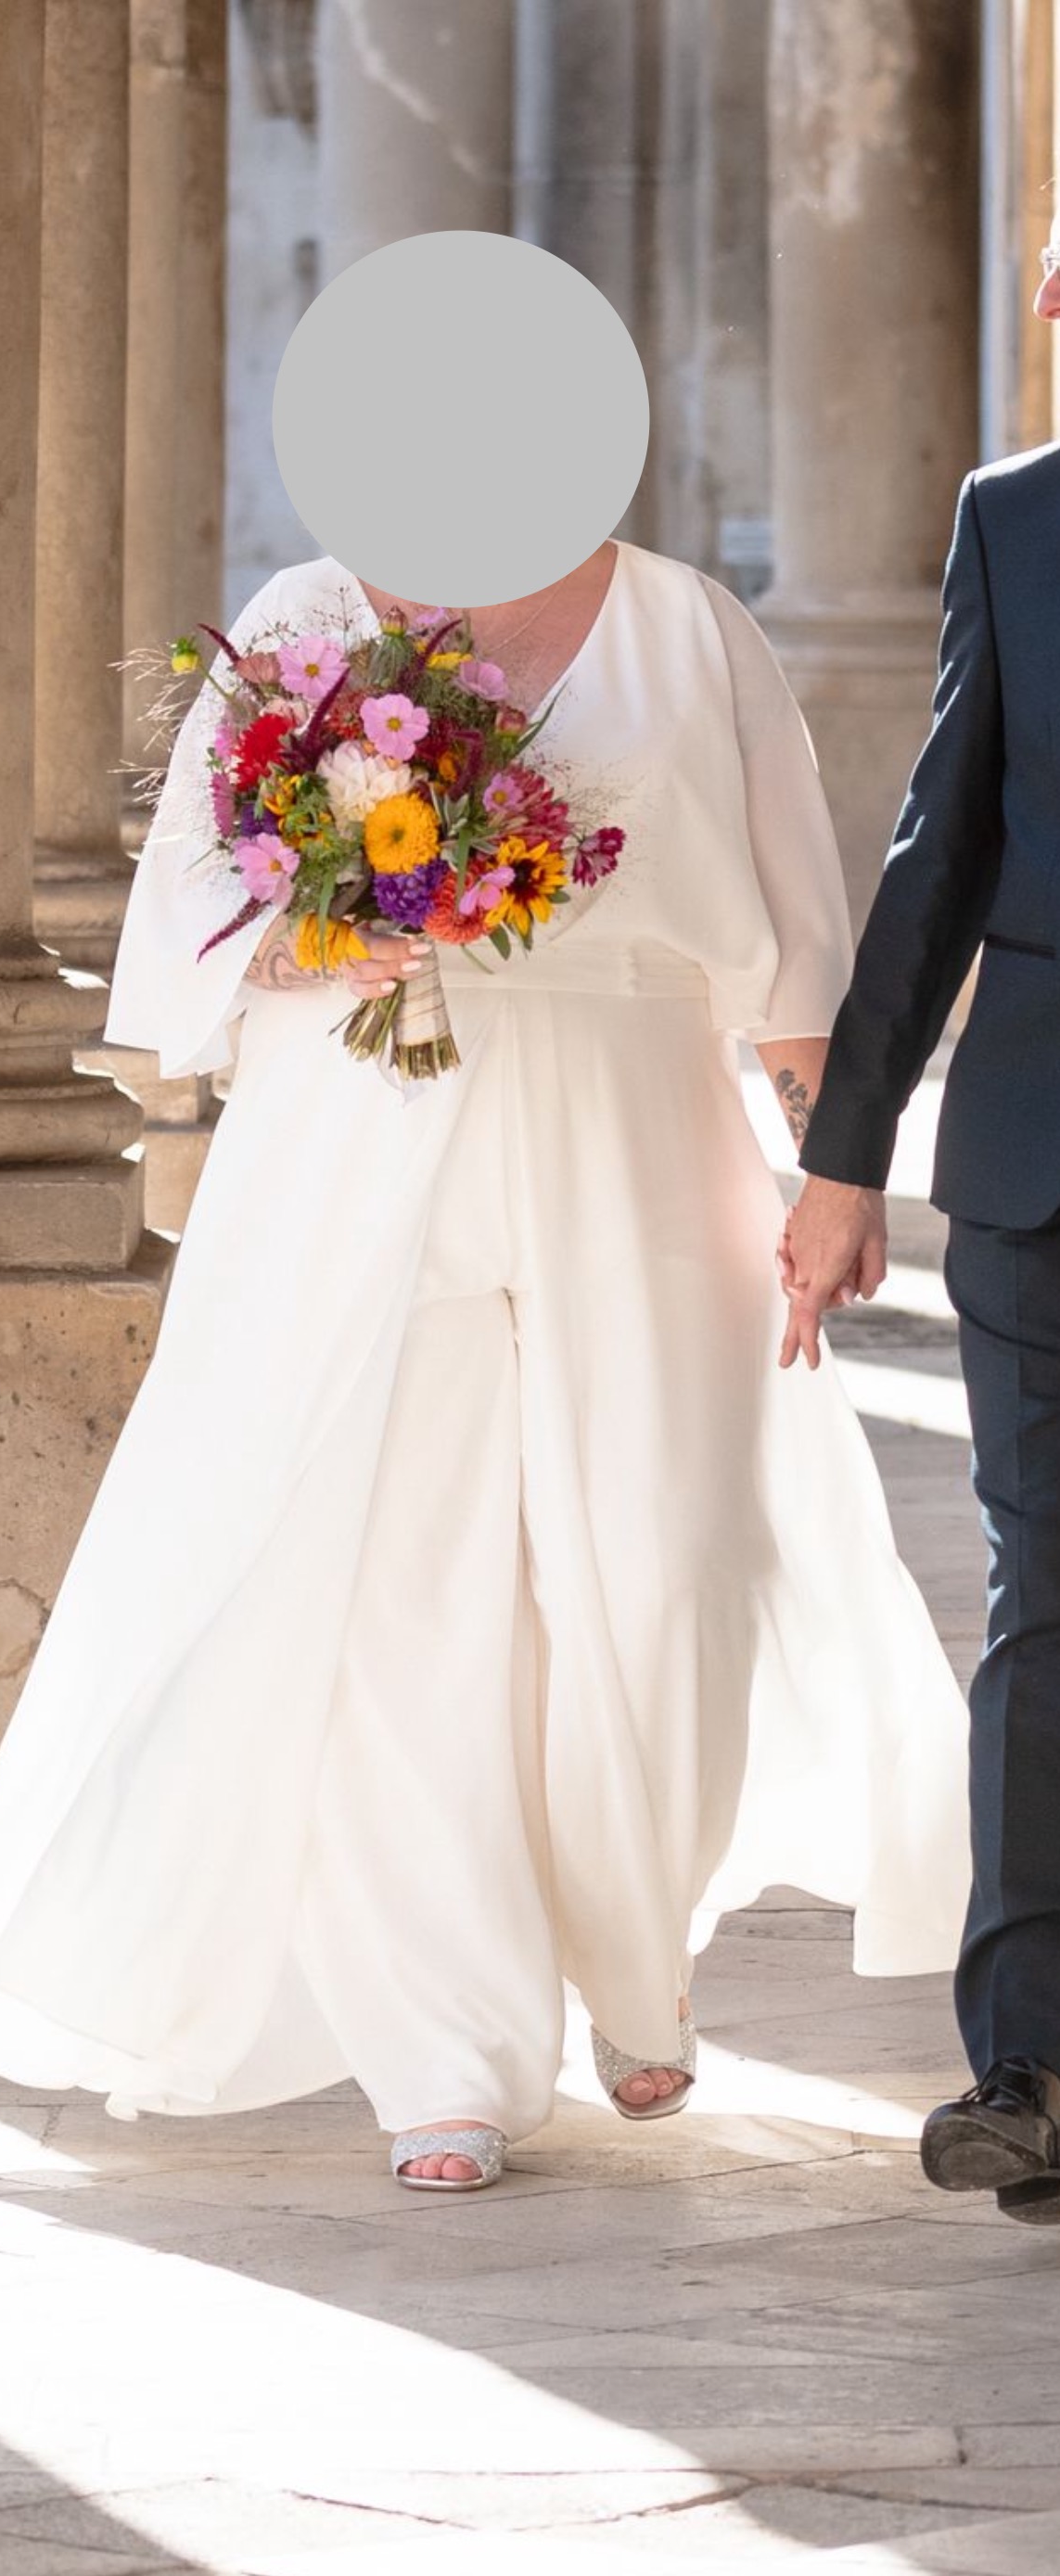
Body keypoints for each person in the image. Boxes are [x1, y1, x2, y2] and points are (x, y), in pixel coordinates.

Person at [0, 529, 972, 2193]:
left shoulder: (695, 629)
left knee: (667, 1558)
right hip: (360, 1130)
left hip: (636, 1115)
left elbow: (794, 946)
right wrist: (323, 942)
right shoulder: (303, 619)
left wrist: (834, 1176)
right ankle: (446, 2051)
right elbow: (183, 907)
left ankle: (634, 1948)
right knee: (409, 1578)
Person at [784, 212, 1060, 2225]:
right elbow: (937, 844)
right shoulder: (1014, 521)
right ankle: (1034, 2068)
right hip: (1045, 1170)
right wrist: (842, 1148)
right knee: (1043, 1615)